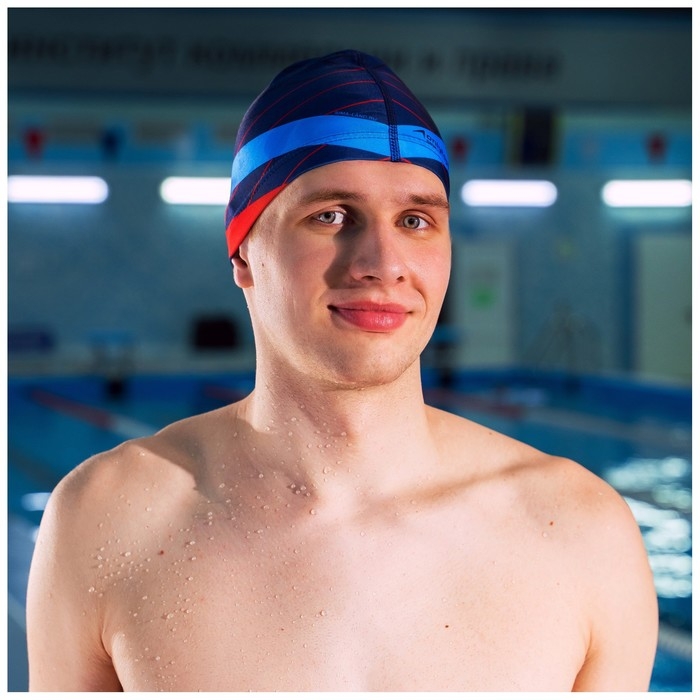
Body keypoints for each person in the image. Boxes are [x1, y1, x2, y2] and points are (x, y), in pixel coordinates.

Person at [26, 49, 658, 692]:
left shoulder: (580, 532)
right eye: (330, 216)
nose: (383, 263)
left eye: (415, 221)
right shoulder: (109, 517)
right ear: (242, 251)